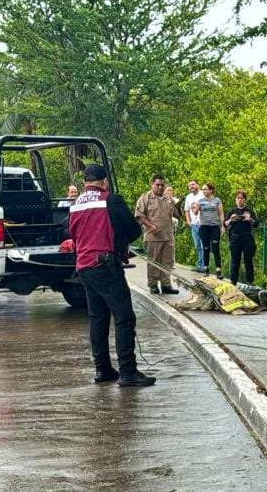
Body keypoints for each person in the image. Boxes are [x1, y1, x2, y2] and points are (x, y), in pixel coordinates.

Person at [69, 164, 156, 387]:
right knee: (124, 317)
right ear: (104, 182)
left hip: (84, 267)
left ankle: (103, 370)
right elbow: (133, 230)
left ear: (85, 183)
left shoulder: (76, 204)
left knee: (97, 319)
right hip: (105, 266)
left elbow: (72, 233)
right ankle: (128, 372)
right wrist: (120, 243)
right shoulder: (111, 200)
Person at [135, 174, 181, 295]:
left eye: (162, 185)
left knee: (168, 261)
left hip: (168, 235)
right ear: (152, 184)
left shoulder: (168, 199)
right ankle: (153, 284)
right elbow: (139, 216)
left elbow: (176, 215)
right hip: (153, 236)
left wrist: (178, 205)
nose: (160, 187)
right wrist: (150, 226)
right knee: (154, 261)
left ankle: (166, 284)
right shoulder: (145, 198)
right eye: (158, 185)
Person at [224, 190, 260, 285]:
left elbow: (256, 224)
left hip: (246, 238)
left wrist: (249, 219)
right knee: (235, 261)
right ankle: (233, 281)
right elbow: (225, 224)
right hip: (235, 238)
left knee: (248, 260)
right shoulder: (232, 211)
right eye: (238, 198)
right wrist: (231, 219)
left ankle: (250, 282)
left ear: (245, 200)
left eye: (242, 198)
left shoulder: (249, 211)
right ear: (235, 200)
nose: (240, 200)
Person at [194, 183, 225, 279]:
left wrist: (222, 226)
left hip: (214, 227)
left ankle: (218, 270)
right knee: (206, 248)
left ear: (211, 190)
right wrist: (197, 207)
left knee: (215, 248)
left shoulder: (217, 200)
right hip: (204, 227)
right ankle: (206, 268)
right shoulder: (200, 201)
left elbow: (221, 213)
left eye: (206, 189)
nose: (204, 191)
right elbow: (195, 213)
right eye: (203, 189)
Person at [184, 181, 206, 271]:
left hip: (203, 224)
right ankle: (200, 265)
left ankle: (205, 266)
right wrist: (188, 221)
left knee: (204, 244)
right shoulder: (188, 197)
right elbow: (187, 210)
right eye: (189, 185)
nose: (191, 186)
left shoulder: (203, 194)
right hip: (194, 225)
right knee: (197, 246)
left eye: (192, 184)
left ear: (197, 185)